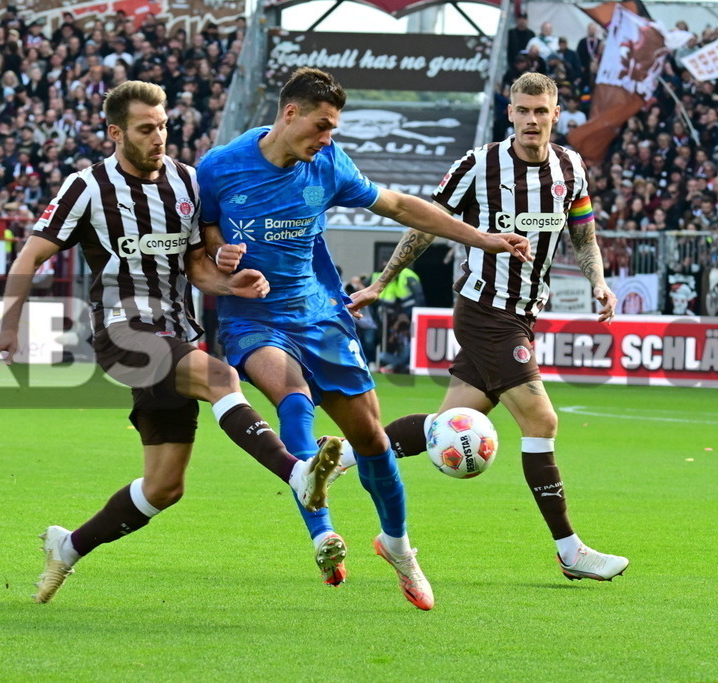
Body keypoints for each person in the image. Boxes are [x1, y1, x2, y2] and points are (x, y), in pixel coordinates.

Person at [0, 81, 342, 604]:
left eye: (163, 126)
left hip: (177, 334)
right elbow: (29, 257)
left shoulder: (187, 183)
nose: (158, 137)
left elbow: (196, 267)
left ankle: (67, 547)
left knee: (164, 487)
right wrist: (7, 327)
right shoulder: (86, 187)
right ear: (116, 132)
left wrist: (230, 282)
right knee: (221, 377)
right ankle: (297, 471)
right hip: (123, 332)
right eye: (146, 129)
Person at [199, 67, 531, 610]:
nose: (327, 137)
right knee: (292, 397)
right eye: (322, 125)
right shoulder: (220, 167)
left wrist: (481, 239)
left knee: (372, 439)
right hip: (253, 317)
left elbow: (399, 206)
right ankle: (322, 532)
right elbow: (205, 230)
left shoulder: (328, 164)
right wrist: (221, 256)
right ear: (290, 114)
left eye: (333, 128)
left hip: (319, 315)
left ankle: (398, 547)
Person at [351, 72, 630, 583]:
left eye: (540, 111)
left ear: (555, 114)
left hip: (524, 311)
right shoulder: (479, 165)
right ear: (510, 112)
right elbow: (424, 226)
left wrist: (599, 283)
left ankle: (342, 455)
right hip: (486, 310)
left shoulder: (570, 167)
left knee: (445, 424)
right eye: (522, 110)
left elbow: (583, 236)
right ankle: (570, 550)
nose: (531, 120)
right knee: (541, 422)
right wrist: (379, 283)